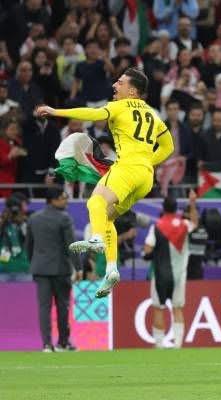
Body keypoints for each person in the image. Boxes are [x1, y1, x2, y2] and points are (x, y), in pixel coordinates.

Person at [35, 67, 175, 299]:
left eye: (120, 82)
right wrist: (146, 162)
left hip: (126, 169)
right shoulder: (153, 114)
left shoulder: (121, 106)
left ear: (132, 91)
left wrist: (55, 111)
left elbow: (92, 114)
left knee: (95, 203)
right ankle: (111, 269)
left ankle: (97, 239)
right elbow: (168, 146)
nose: (114, 85)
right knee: (107, 217)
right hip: (145, 177)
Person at [26, 188, 79, 352]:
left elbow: (29, 246)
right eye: (63, 198)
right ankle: (63, 342)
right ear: (53, 200)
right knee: (63, 307)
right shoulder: (64, 218)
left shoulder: (33, 218)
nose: (66, 200)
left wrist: (34, 263)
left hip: (40, 269)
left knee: (44, 307)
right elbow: (71, 245)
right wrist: (78, 267)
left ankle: (47, 344)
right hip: (60, 269)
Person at [143, 192, 198, 349]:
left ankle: (159, 345)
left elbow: (147, 250)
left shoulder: (156, 227)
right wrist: (192, 204)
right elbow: (195, 222)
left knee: (158, 309)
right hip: (179, 276)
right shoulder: (184, 224)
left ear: (163, 208)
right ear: (176, 208)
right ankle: (178, 345)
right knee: (177, 308)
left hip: (160, 275)